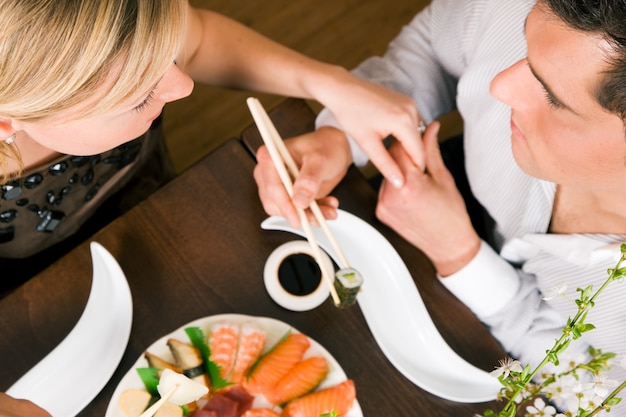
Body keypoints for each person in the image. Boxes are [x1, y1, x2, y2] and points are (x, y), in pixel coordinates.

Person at [0, 0, 429, 413]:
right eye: (139, 96)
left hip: (149, 201)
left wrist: (332, 84)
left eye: (168, 53)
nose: (183, 86)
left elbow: (200, 38)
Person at [254, 0, 626, 412]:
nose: (499, 86)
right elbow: (435, 44)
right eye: (523, 47)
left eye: (554, 97)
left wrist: (461, 256)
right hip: (428, 176)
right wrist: (348, 134)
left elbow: (595, 393)